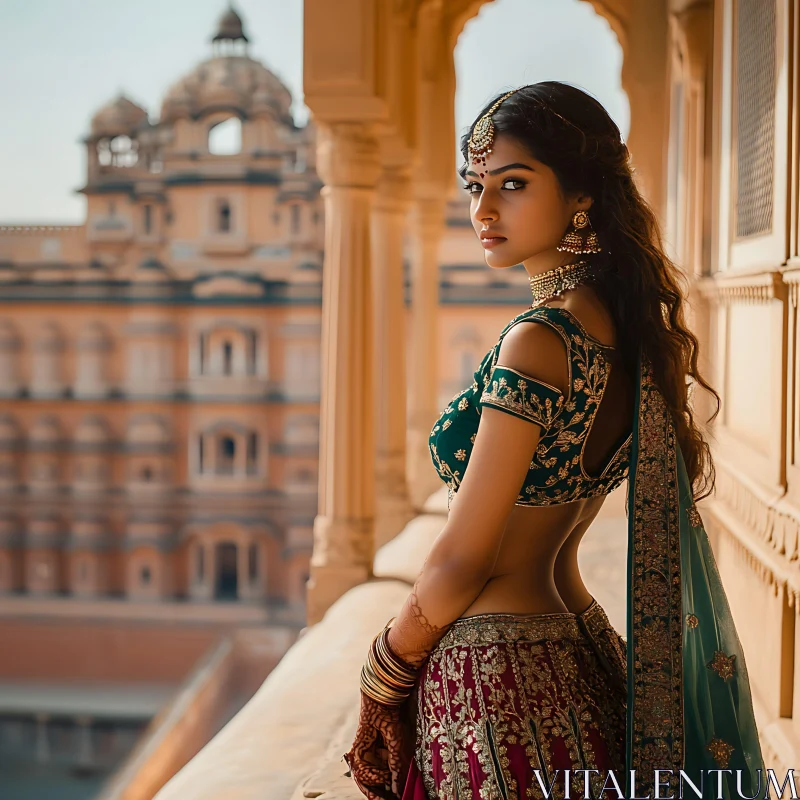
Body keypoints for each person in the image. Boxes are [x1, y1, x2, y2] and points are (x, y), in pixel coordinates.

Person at [343, 82, 766, 800]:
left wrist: (381, 676)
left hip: (495, 681)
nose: (483, 210)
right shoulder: (622, 329)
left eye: (512, 183)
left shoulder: (540, 341)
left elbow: (462, 560)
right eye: (475, 186)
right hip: (579, 653)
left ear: (582, 194)